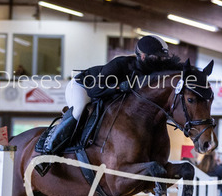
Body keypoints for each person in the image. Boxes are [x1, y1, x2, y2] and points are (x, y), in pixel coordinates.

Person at [35, 35, 177, 175]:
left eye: (163, 57)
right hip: (83, 86)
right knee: (79, 110)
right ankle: (48, 151)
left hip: (109, 94)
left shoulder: (153, 71)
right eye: (158, 57)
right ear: (144, 56)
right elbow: (94, 91)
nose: (161, 61)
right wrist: (119, 87)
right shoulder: (120, 64)